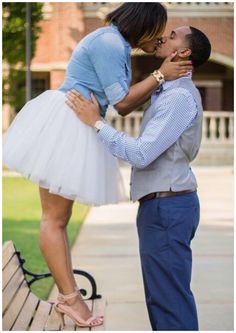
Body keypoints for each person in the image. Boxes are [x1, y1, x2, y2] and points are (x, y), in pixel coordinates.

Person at [3, 3, 193, 329]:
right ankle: (70, 300)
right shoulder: (109, 43)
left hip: (79, 124)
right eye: (159, 29)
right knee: (55, 218)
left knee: (58, 218)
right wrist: (160, 75)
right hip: (67, 123)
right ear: (143, 26)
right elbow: (121, 103)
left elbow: (124, 102)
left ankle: (69, 298)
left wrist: (159, 77)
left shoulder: (116, 44)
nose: (160, 37)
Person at [66, 26, 211, 330]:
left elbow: (142, 153)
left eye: (172, 36)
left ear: (183, 53)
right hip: (163, 206)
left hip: (168, 208)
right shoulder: (168, 92)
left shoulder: (179, 99)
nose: (163, 37)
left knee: (169, 302)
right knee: (163, 299)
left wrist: (96, 124)